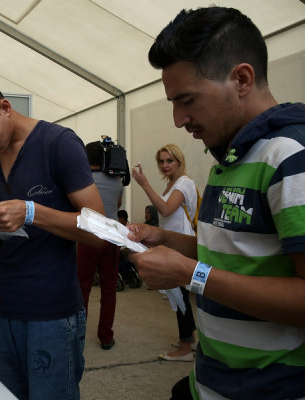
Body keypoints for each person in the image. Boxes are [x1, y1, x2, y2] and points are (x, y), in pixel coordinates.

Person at [128, 6, 305, 399]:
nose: (178, 119)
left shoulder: (291, 156)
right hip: (212, 381)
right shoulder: (230, 156)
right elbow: (236, 256)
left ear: (242, 78)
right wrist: (165, 240)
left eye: (186, 99)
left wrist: (191, 273)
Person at [0, 66, 104, 400]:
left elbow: (99, 229)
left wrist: (32, 211)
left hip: (51, 311)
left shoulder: (58, 143)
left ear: (4, 107)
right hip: (3, 306)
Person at [132, 145, 197, 362]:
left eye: (169, 160)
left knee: (180, 296)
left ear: (179, 161)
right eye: (161, 161)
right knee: (178, 294)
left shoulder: (184, 183)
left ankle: (186, 346)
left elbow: (166, 209)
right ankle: (190, 339)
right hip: (172, 244)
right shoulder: (171, 184)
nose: (165, 165)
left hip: (181, 246)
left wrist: (144, 184)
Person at [76, 141, 123, 350]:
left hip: (89, 238)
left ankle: (78, 335)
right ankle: (106, 337)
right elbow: (118, 205)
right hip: (113, 238)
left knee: (82, 288)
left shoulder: (83, 181)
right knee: (109, 290)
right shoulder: (117, 181)